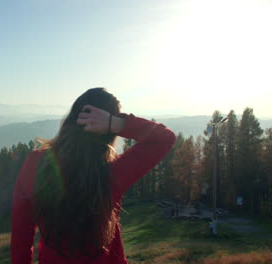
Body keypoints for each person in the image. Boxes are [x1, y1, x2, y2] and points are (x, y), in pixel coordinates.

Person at [11, 88, 176, 264]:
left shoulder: (36, 163)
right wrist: (117, 123)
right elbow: (164, 138)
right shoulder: (114, 172)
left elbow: (22, 234)